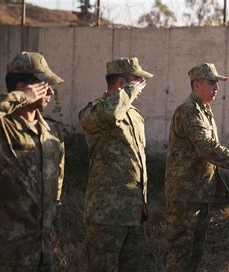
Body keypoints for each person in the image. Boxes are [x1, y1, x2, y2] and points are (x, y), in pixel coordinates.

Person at [0, 51, 65, 271]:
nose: (51, 92)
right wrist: (20, 97)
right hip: (6, 252)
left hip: (43, 251)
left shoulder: (52, 130)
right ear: (24, 86)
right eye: (45, 85)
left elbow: (58, 181)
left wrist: (53, 226)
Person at [164, 63, 229, 272]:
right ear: (197, 85)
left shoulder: (204, 110)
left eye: (217, 84)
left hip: (199, 192)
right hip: (185, 195)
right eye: (212, 83)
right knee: (180, 252)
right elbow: (208, 149)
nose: (216, 88)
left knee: (195, 250)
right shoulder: (189, 111)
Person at [78, 57, 153, 272]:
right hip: (106, 215)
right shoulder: (95, 111)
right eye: (138, 81)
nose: (142, 87)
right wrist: (129, 92)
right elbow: (110, 114)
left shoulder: (134, 115)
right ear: (122, 83)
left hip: (134, 213)